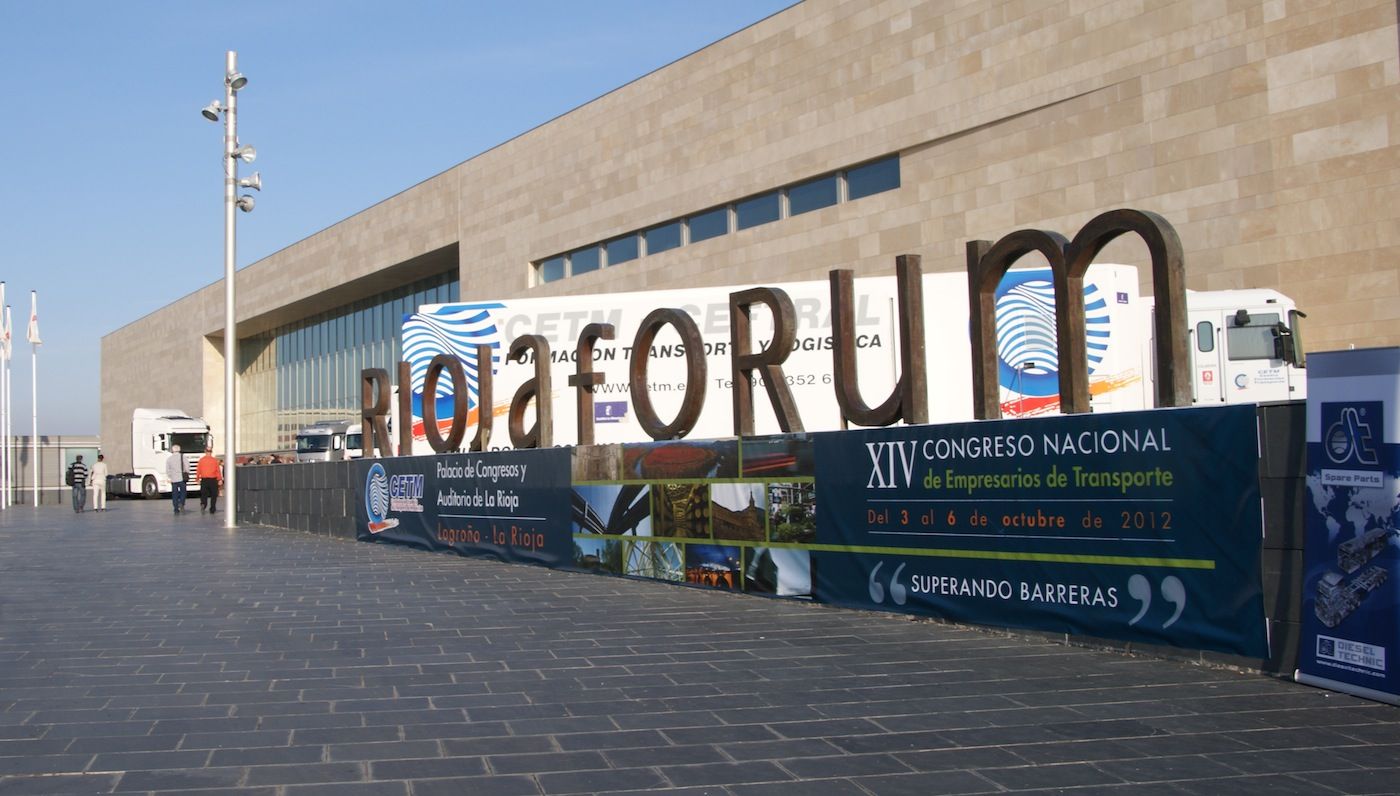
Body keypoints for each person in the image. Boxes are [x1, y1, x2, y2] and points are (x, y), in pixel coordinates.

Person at [197, 449, 223, 514]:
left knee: (203, 494)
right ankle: (212, 508)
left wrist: (197, 478)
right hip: (213, 479)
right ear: (211, 452)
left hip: (204, 479)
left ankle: (203, 503)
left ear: (205, 452)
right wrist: (219, 479)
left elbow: (198, 470)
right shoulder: (214, 460)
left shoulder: (201, 460)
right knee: (214, 494)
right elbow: (218, 471)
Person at [165, 445, 187, 514]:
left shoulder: (169, 459)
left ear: (172, 450)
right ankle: (181, 502)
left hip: (174, 479)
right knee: (183, 492)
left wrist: (170, 476)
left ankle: (175, 508)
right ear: (179, 450)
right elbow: (187, 466)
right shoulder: (183, 457)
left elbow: (167, 470)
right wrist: (186, 472)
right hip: (181, 478)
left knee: (175, 494)